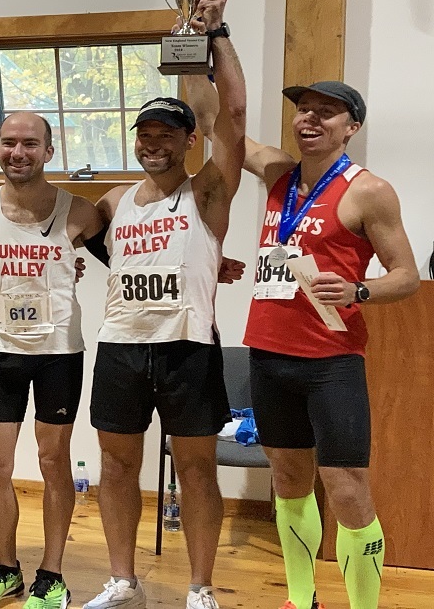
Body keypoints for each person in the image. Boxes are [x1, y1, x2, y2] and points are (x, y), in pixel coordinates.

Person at [187, 77, 418, 609]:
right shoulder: (278, 173)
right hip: (269, 356)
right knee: (289, 482)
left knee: (347, 488)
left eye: (327, 113)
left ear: (351, 128)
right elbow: (215, 123)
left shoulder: (368, 190)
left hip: (331, 362)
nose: (310, 120)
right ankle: (300, 598)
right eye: (304, 110)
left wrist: (359, 288)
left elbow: (404, 275)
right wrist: (204, 41)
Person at [83, 0, 246, 609]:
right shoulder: (115, 201)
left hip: (187, 350)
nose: (153, 142)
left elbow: (231, 117)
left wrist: (216, 32)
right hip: (121, 348)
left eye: (166, 133)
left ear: (187, 141)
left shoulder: (207, 191)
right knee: (117, 466)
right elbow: (55, 229)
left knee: (197, 470)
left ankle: (201, 586)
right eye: (144, 133)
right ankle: (123, 578)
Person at [0, 111, 108, 609]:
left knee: (51, 461)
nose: (16, 152)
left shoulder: (81, 212)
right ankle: (6, 569)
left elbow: (131, 256)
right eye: (7, 143)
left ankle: (52, 573)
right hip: (1, 352)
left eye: (29, 143)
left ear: (49, 150)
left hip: (58, 356)